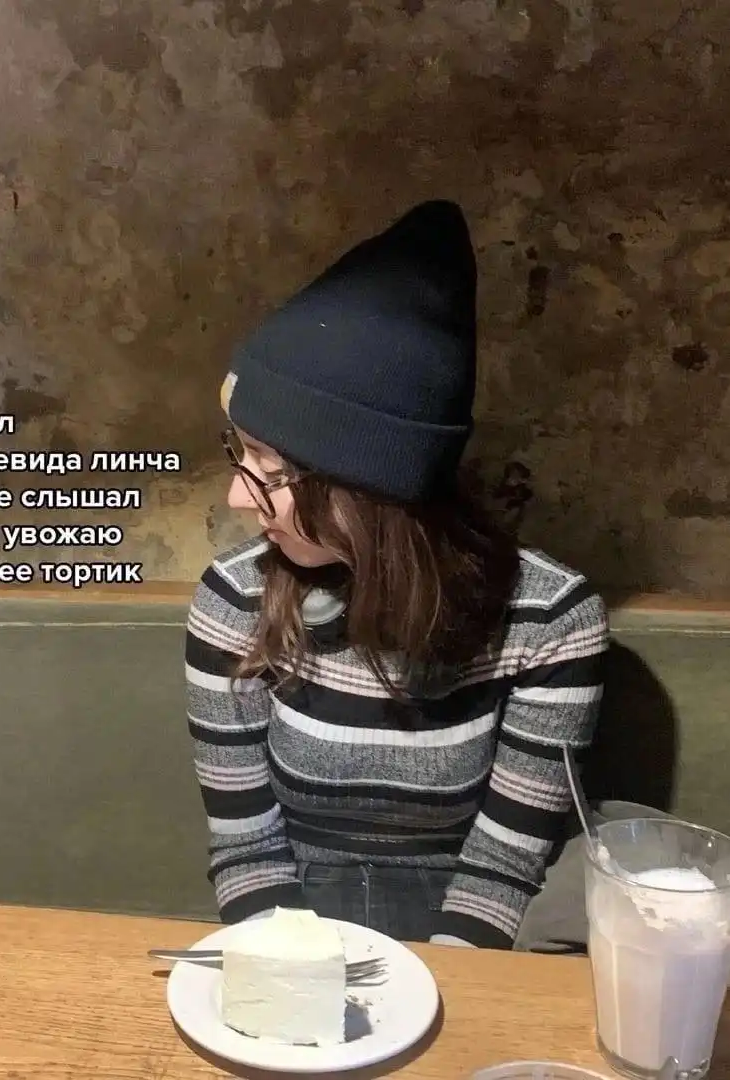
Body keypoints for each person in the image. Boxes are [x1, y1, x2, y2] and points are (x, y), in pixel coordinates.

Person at [183, 199, 614, 951]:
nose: (236, 497)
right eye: (238, 452)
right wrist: (295, 978)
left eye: (270, 471)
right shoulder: (234, 600)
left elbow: (503, 867)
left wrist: (440, 989)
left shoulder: (550, 620)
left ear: (371, 492)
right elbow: (247, 848)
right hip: (294, 922)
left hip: (470, 928)